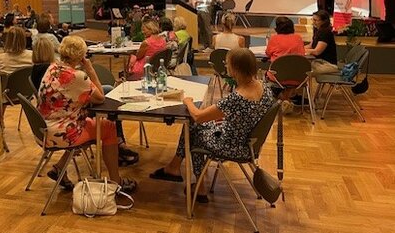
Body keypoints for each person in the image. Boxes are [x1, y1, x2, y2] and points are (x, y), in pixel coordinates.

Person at [150, 49, 274, 202]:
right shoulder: (264, 88)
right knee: (195, 127)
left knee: (193, 130)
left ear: (234, 68)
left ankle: (199, 186)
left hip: (231, 146)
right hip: (248, 143)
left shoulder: (237, 97)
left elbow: (198, 116)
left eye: (227, 64)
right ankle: (174, 167)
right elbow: (247, 117)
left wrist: (187, 101)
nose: (226, 67)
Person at [37, 35, 136, 192]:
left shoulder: (52, 68)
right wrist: (89, 68)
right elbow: (100, 97)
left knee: (85, 123)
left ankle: (59, 168)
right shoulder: (77, 77)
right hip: (63, 132)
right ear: (81, 55)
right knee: (109, 127)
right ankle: (116, 181)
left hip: (43, 129)